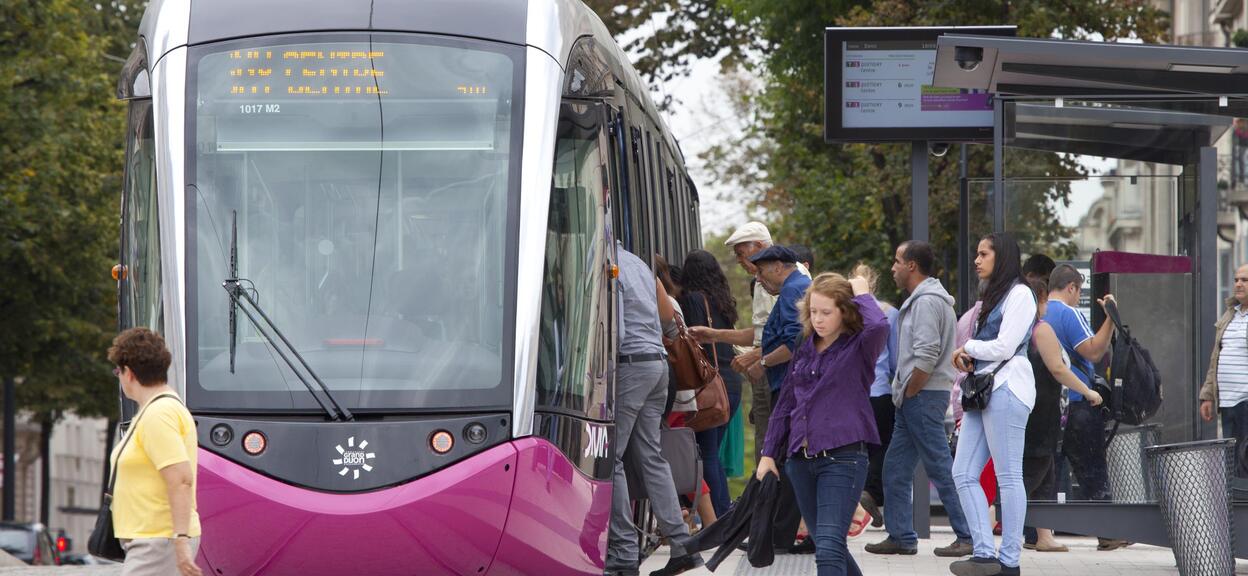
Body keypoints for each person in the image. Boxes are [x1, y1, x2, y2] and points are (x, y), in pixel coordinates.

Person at [756, 272, 889, 576]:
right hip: (800, 462)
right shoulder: (805, 345)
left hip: (842, 459)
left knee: (827, 549)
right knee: (830, 546)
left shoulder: (860, 347)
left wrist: (861, 291)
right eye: (813, 311)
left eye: (826, 312)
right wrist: (768, 453)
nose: (817, 319)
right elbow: (786, 403)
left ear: (846, 311)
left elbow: (879, 325)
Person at [866, 241, 973, 558]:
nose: (893, 268)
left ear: (912, 266)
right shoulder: (923, 300)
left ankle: (968, 535)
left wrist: (910, 390)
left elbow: (925, 356)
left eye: (897, 261)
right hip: (913, 397)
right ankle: (901, 536)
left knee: (941, 467)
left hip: (922, 396)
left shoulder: (927, 303)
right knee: (895, 469)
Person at [606, 245, 703, 576]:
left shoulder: (604, 260)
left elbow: (613, 329)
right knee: (651, 456)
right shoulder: (636, 262)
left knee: (611, 460)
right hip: (657, 366)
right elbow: (664, 316)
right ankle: (681, 546)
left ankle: (621, 552)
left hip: (630, 365)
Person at [949, 232, 1036, 576]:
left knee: (1008, 475)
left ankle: (1009, 560)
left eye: (983, 254)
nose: (977, 259)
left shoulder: (1020, 294)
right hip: (984, 390)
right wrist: (970, 356)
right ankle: (985, 553)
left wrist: (968, 347)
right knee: (963, 472)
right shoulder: (995, 296)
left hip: (1008, 390)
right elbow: (992, 348)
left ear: (1002, 257)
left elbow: (1004, 346)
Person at [107, 328, 203, 576]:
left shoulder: (158, 415)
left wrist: (180, 540)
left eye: (118, 371)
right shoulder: (158, 410)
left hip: (158, 540)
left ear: (128, 373)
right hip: (154, 539)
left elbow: (180, 478)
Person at [1045, 264, 1126, 551]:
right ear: (1071, 288)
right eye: (1078, 291)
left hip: (1049, 404)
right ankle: (1108, 533)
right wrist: (1110, 318)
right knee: (1092, 470)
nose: (1078, 296)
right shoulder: (1069, 313)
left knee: (1046, 470)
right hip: (1078, 402)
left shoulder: (1041, 313)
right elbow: (1093, 350)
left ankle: (1036, 534)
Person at [1022, 279, 1104, 553]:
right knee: (1031, 474)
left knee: (1046, 473)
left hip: (1034, 410)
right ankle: (985, 525)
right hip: (1043, 412)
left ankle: (1043, 535)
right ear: (1039, 299)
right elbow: (1058, 368)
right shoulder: (1040, 329)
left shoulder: (1020, 329)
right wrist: (1088, 391)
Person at [678, 250, 743, 517]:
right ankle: (722, 512)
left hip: (711, 384)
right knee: (712, 451)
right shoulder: (724, 301)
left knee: (706, 453)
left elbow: (691, 343)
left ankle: (718, 515)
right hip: (732, 382)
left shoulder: (693, 300)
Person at [856, 264, 898, 531]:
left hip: (853, 395)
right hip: (881, 391)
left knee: (858, 450)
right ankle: (871, 494)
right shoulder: (889, 313)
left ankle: (860, 503)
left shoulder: (845, 312)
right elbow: (894, 358)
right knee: (886, 445)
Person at [1199, 264, 1248, 478]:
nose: (1238, 284)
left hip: (1246, 400)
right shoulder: (1231, 315)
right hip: (1227, 402)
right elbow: (1215, 359)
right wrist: (1208, 396)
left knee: (1245, 464)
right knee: (1232, 464)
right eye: (1236, 279)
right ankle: (1236, 507)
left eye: (1245, 280)